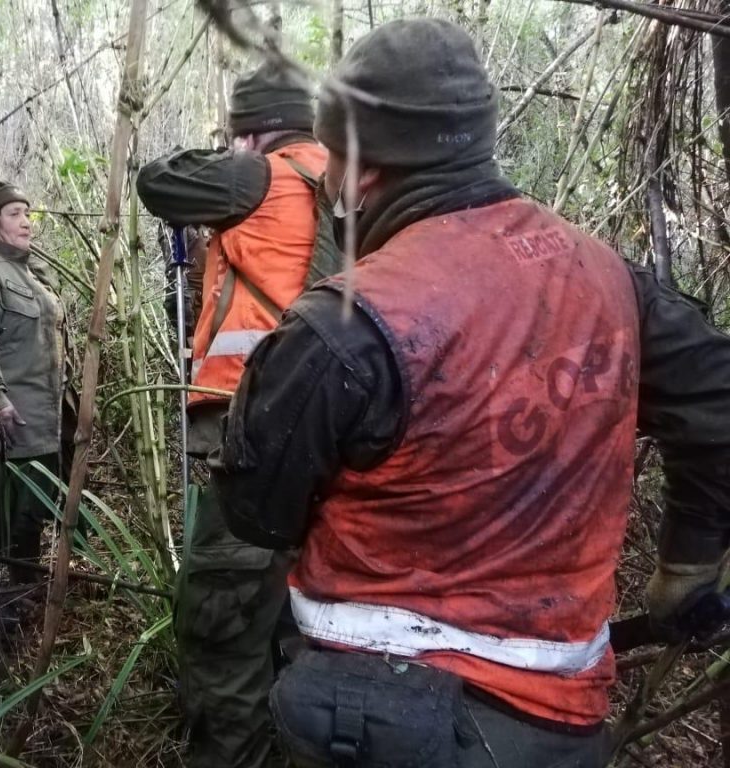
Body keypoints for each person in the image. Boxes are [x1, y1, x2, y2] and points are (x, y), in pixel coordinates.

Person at [210, 18, 730, 768]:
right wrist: (689, 559)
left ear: (359, 168)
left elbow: (256, 513)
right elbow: (719, 400)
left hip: (376, 721)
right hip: (559, 718)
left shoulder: (343, 324)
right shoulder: (609, 277)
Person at [137, 62, 332, 768]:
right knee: (303, 607)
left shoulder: (262, 175)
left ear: (252, 129)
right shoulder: (349, 184)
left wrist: (233, 154)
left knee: (223, 616)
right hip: (338, 434)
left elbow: (157, 180)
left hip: (251, 426)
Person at [0, 180, 70, 585]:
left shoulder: (31, 269)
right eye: (15, 214)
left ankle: (26, 591)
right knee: (13, 517)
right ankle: (9, 599)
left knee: (34, 510)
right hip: (14, 417)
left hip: (46, 414)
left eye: (28, 213)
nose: (27, 222)